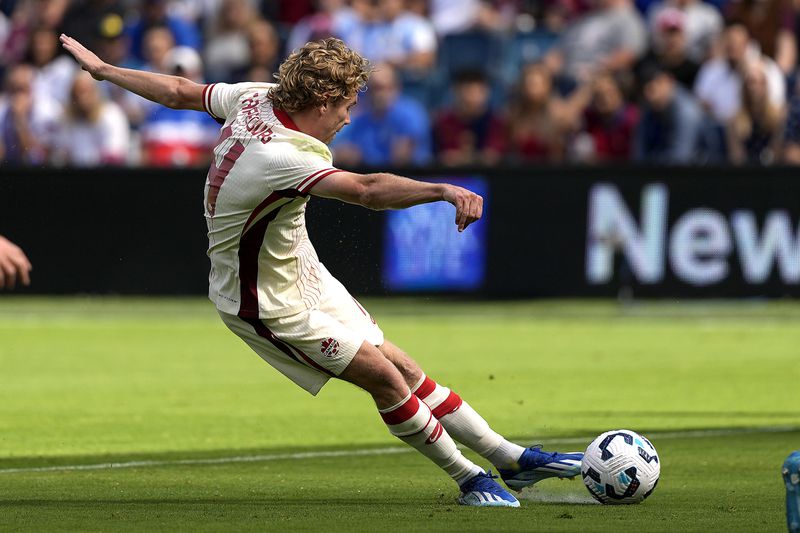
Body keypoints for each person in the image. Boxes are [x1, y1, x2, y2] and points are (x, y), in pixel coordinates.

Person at [60, 33, 582, 508]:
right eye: (347, 106)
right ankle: (470, 478)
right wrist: (443, 189)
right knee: (382, 377)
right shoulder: (282, 155)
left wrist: (107, 70)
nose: (349, 118)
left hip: (299, 269)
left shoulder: (256, 96)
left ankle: (509, 458)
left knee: (400, 364)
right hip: (262, 300)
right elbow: (366, 191)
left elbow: (178, 90)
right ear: (322, 103)